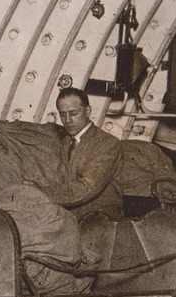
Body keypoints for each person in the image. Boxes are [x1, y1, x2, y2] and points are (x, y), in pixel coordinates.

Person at [41, 87, 124, 220]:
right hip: (68, 216)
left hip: (99, 220)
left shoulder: (107, 143)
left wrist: (39, 192)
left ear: (87, 111)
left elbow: (87, 188)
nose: (68, 120)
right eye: (63, 114)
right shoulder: (64, 142)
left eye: (73, 113)